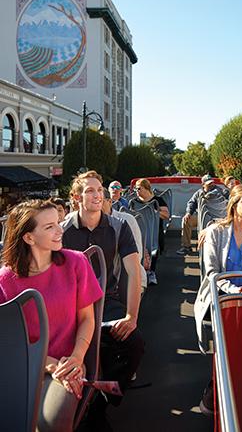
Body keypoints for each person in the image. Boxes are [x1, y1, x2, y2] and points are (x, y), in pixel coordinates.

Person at [0, 200, 103, 432]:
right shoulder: (5, 280)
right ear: (28, 238)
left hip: (69, 363)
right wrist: (47, 363)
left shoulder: (76, 262)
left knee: (53, 420)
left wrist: (76, 359)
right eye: (49, 227)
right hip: (22, 367)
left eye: (58, 223)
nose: (60, 230)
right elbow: (8, 340)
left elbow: (87, 319)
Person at [61, 171, 144, 425]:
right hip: (71, 304)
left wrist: (131, 316)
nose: (98, 195)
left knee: (135, 345)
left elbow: (133, 270)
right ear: (76, 198)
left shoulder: (119, 227)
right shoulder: (63, 229)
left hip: (106, 302)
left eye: (100, 190)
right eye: (90, 191)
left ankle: (104, 396)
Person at [194, 184, 242, 416]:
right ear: (234, 204)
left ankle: (235, 396)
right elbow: (212, 272)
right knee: (227, 350)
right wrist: (234, 290)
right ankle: (213, 392)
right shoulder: (216, 232)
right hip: (222, 298)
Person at [102, 187, 147, 290]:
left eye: (100, 201)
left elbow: (137, 255)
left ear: (109, 202)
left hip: (127, 278)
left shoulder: (126, 220)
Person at [131, 178, 170, 284]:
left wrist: (154, 212)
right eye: (135, 189)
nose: (137, 191)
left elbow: (166, 215)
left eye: (139, 189)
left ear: (147, 188)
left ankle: (151, 272)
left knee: (153, 249)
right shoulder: (134, 202)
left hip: (155, 230)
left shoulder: (157, 200)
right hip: (139, 229)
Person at [176, 174, 224, 256]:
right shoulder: (198, 193)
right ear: (203, 184)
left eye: (212, 183)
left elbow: (220, 194)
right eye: (209, 184)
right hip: (200, 217)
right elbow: (191, 203)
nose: (212, 185)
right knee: (186, 220)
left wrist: (207, 196)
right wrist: (188, 213)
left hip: (215, 218)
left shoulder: (220, 191)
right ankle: (186, 247)